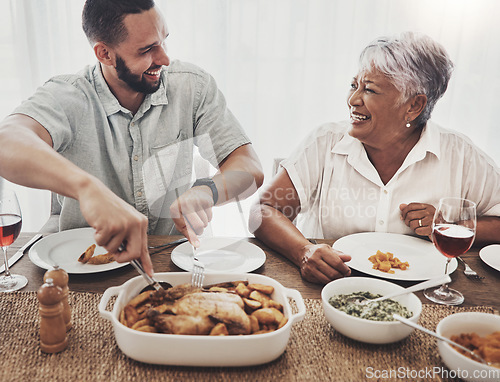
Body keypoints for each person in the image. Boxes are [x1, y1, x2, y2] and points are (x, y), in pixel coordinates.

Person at [0, 0, 263, 275]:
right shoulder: (67, 95)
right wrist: (88, 189)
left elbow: (249, 167)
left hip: (170, 261)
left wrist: (208, 190)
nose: (164, 59)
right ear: (105, 54)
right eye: (148, 49)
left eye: (163, 41)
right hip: (76, 269)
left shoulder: (193, 86)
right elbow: (7, 140)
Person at [250, 32, 500, 285]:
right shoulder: (325, 141)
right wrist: (303, 250)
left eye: (369, 90)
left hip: (427, 292)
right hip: (330, 287)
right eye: (353, 85)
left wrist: (450, 224)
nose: (352, 100)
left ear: (413, 105)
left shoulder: (460, 155)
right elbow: (264, 211)